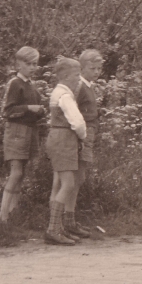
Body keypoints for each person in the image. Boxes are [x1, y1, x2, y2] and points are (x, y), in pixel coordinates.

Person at [44, 57, 87, 246]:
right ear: (65, 76)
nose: (79, 78)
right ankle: (53, 229)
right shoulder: (65, 96)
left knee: (59, 184)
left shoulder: (58, 92)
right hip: (64, 139)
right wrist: (83, 136)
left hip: (57, 137)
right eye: (76, 75)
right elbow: (77, 122)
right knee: (68, 184)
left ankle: (57, 227)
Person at [0, 46, 44, 222]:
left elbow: (34, 109)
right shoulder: (15, 83)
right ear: (18, 64)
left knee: (22, 173)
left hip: (30, 131)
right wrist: (29, 108)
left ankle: (13, 211)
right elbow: (7, 111)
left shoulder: (31, 85)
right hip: (17, 131)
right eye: (28, 63)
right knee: (16, 172)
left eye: (35, 64)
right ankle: (2, 215)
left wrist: (40, 111)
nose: (32, 67)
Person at [68, 49, 103, 239]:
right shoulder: (79, 86)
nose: (96, 72)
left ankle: (70, 219)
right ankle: (68, 220)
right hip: (81, 135)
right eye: (92, 68)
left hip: (89, 134)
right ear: (82, 68)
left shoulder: (89, 86)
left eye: (99, 68)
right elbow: (72, 111)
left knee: (79, 178)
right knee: (75, 177)